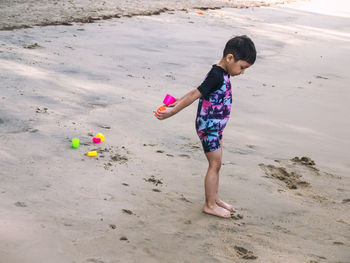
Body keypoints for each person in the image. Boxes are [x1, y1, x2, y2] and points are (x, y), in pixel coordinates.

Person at [155, 35, 256, 218]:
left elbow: (198, 90)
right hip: (208, 127)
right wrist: (173, 111)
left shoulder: (222, 73)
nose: (242, 72)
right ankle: (209, 205)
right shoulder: (217, 75)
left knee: (217, 165)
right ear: (230, 58)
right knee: (214, 164)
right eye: (242, 67)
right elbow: (196, 94)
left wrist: (178, 99)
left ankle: (215, 198)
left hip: (216, 127)